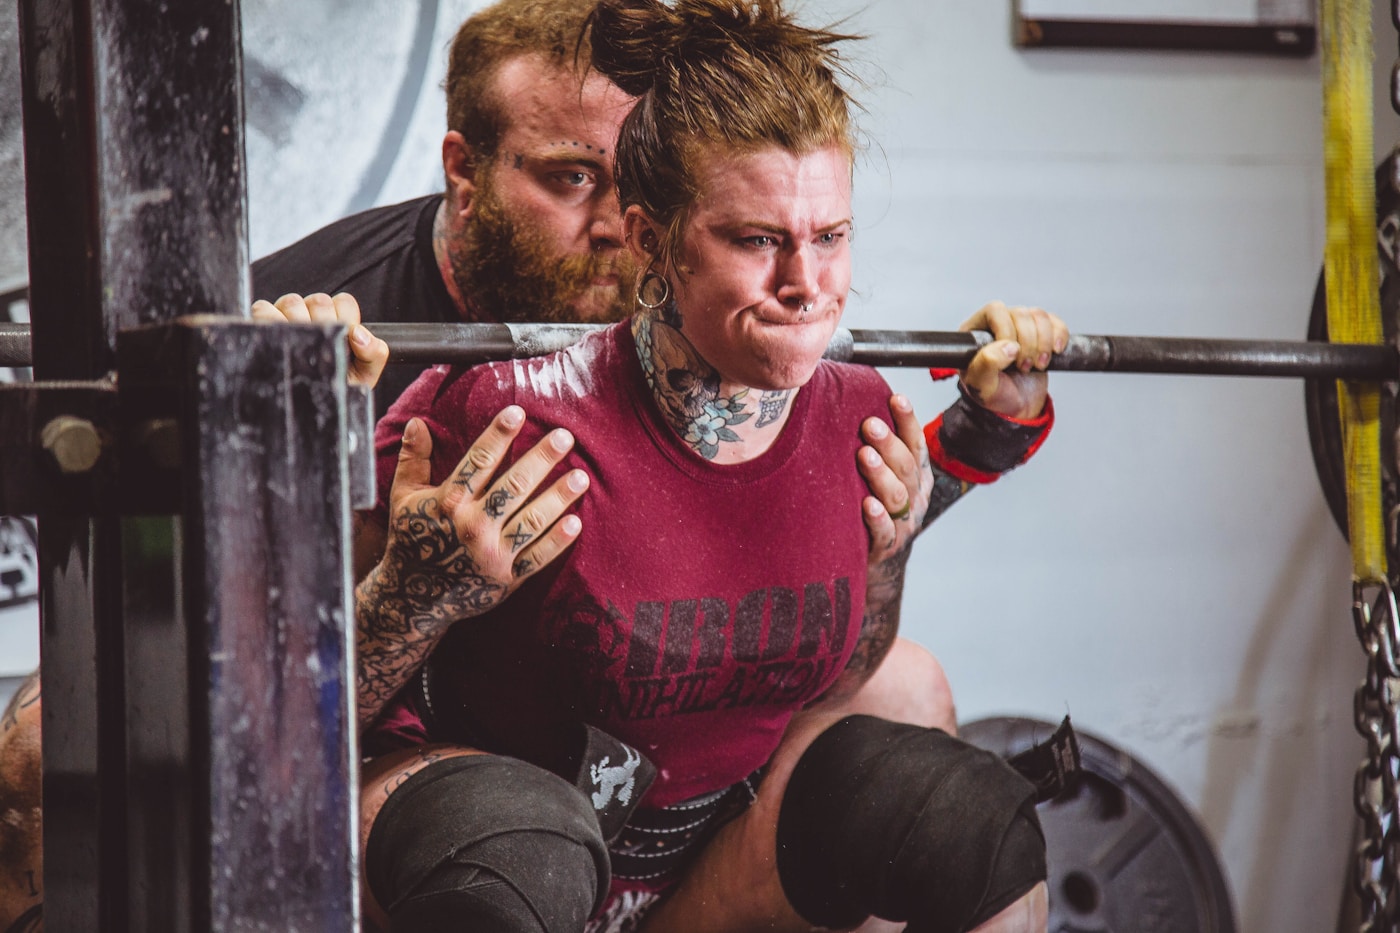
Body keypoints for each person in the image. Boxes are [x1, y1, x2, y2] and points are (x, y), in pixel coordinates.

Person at [0, 0, 1056, 928]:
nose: (611, 225)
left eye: (636, 175)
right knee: (54, 743)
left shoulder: (712, 319)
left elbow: (768, 541)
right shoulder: (350, 322)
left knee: (911, 698)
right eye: (571, 177)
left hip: (639, 740)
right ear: (467, 171)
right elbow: (230, 648)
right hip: (371, 692)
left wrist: (975, 442)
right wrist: (303, 455)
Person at [348, 0, 1067, 931]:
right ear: (652, 239)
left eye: (831, 236)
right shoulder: (500, 410)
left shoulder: (854, 410)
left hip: (702, 848)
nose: (807, 286)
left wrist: (892, 549)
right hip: (500, 829)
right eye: (758, 240)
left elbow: (836, 670)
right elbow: (287, 703)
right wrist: (413, 593)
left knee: (967, 825)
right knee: (520, 850)